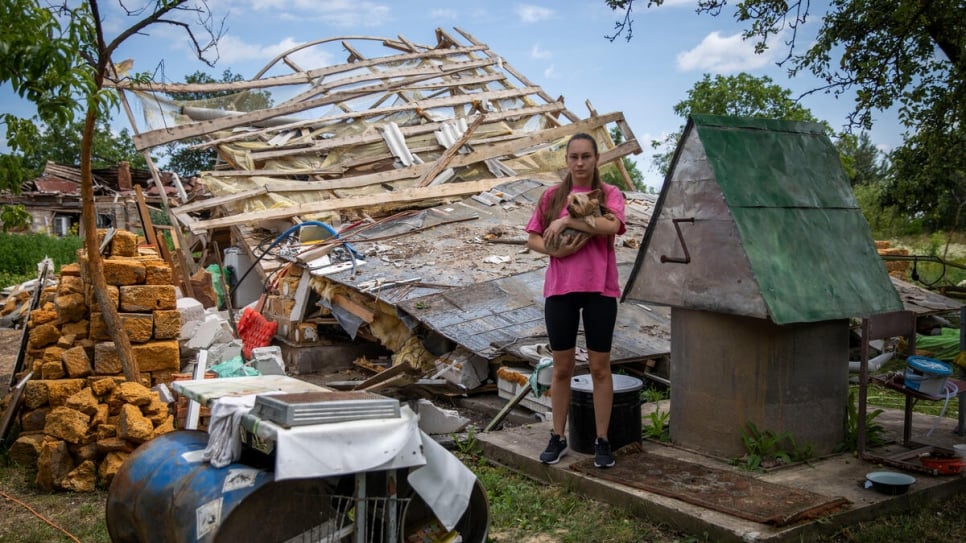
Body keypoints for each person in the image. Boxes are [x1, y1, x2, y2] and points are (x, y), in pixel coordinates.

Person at [525, 132, 626, 468]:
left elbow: (612, 227)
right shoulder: (552, 196)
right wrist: (555, 248)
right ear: (566, 160)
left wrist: (568, 219)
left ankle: (602, 440)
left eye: (586, 156)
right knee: (562, 368)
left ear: (596, 159)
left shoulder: (609, 194)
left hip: (600, 290)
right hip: (560, 290)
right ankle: (557, 436)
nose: (580, 163)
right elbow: (534, 239)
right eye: (574, 157)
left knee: (600, 368)